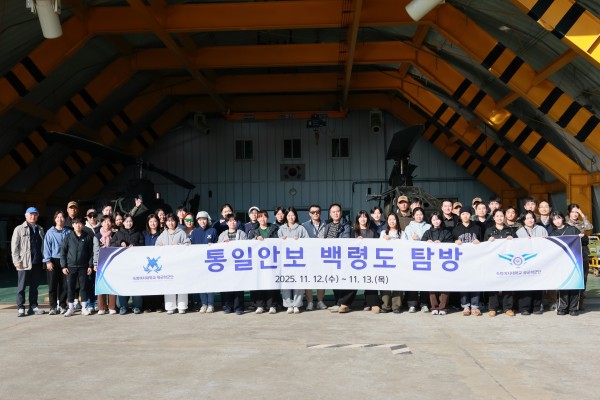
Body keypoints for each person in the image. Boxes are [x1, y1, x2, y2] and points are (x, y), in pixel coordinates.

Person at [12, 207, 46, 317]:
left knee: (34, 287)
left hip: (37, 262)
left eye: (35, 214)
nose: (33, 216)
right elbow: (14, 246)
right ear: (26, 216)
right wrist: (16, 260)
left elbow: (43, 246)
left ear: (37, 216)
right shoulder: (19, 229)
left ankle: (33, 307)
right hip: (24, 263)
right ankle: (20, 307)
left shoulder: (40, 229)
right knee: (21, 287)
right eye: (31, 214)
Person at [550, 211, 585, 316]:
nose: (557, 221)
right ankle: (563, 307)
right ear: (552, 222)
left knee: (575, 284)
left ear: (562, 218)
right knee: (563, 284)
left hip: (574, 261)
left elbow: (585, 241)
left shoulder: (572, 229)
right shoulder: (553, 234)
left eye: (558, 218)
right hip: (561, 263)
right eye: (554, 219)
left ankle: (573, 308)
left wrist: (582, 237)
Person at [156, 213, 190, 314]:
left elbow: (188, 243)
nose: (170, 223)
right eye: (168, 221)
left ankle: (182, 306)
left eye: (172, 221)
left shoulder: (181, 232)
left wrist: (179, 245)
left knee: (181, 283)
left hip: (180, 264)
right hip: (167, 264)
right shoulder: (163, 234)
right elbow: (156, 246)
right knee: (168, 284)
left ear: (176, 222)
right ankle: (170, 306)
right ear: (166, 222)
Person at [247, 210, 280, 314]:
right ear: (257, 219)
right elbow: (248, 244)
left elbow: (279, 241)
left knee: (271, 282)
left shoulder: (274, 228)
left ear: (268, 218)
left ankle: (272, 305)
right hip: (258, 262)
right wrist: (255, 239)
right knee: (259, 282)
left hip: (272, 261)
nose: (262, 219)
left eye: (265, 217)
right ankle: (260, 305)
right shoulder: (253, 231)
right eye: (260, 217)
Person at [484, 209, 515, 317]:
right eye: (497, 216)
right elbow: (484, 247)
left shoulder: (510, 230)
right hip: (493, 262)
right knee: (493, 284)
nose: (499, 218)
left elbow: (517, 245)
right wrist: (488, 241)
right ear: (493, 218)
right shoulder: (489, 230)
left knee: (508, 284)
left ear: (504, 217)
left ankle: (508, 308)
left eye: (501, 216)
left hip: (507, 262)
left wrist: (513, 239)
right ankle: (493, 308)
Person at [111, 214, 144, 314]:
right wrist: (120, 243)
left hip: (135, 264)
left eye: (130, 221)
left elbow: (143, 245)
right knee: (122, 284)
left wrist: (135, 246)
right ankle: (123, 306)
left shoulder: (138, 233)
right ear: (123, 223)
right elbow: (112, 244)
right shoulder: (118, 233)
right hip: (122, 265)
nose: (129, 223)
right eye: (126, 221)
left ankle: (137, 306)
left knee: (136, 284)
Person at [60, 217, 94, 317]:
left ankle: (84, 307)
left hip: (83, 266)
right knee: (70, 287)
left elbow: (91, 253)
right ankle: (71, 308)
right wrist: (63, 266)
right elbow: (63, 252)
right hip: (71, 266)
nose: (78, 225)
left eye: (79, 223)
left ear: (82, 225)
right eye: (75, 223)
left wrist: (90, 265)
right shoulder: (68, 237)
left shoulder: (87, 237)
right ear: (72, 225)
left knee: (83, 287)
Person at [516, 210, 548, 315]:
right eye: (527, 218)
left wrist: (546, 240)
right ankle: (525, 308)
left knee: (538, 284)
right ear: (523, 220)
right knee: (525, 284)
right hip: (525, 262)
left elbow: (548, 245)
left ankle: (537, 307)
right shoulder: (519, 232)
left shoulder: (542, 229)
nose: (530, 220)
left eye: (531, 218)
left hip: (539, 261)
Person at [278, 207, 309, 314]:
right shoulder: (281, 229)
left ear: (296, 216)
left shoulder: (301, 228)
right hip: (285, 261)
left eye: (293, 215)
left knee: (298, 282)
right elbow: (276, 243)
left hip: (298, 260)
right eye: (289, 215)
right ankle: (288, 305)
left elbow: (307, 242)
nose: (291, 217)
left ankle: (297, 304)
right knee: (286, 282)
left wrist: (300, 240)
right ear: (286, 217)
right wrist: (281, 240)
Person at [452, 206, 482, 316]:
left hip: (475, 260)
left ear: (471, 215)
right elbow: (450, 245)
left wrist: (479, 242)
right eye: (463, 214)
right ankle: (465, 306)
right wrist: (455, 242)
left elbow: (484, 242)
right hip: (461, 262)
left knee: (475, 282)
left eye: (467, 213)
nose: (465, 216)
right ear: (460, 216)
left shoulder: (477, 227)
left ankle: (475, 306)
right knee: (463, 283)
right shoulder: (456, 229)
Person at [422, 211, 453, 315]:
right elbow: (420, 246)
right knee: (432, 284)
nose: (436, 221)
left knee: (445, 284)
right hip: (431, 262)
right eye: (434, 219)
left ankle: (443, 307)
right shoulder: (427, 233)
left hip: (444, 262)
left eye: (438, 219)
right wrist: (426, 243)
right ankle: (434, 307)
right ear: (431, 221)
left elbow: (451, 244)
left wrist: (442, 244)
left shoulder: (447, 232)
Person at [323, 203, 352, 312]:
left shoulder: (346, 225)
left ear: (341, 212)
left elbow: (346, 238)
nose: (336, 213)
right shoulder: (327, 225)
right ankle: (337, 302)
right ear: (330, 214)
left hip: (341, 257)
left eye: (338, 211)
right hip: (331, 256)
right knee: (334, 280)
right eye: (333, 212)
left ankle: (342, 303)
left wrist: (332, 242)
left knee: (341, 280)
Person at [403, 207, 432, 313]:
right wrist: (413, 240)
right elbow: (406, 242)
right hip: (413, 257)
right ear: (413, 216)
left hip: (426, 257)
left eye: (421, 214)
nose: (419, 216)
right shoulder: (408, 227)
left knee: (425, 281)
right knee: (413, 280)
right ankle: (412, 304)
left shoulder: (429, 226)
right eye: (417, 215)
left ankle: (424, 304)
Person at [42, 211, 71, 315]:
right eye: (58, 217)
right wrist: (48, 261)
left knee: (64, 285)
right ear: (55, 219)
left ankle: (62, 305)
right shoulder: (50, 232)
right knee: (52, 285)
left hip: (65, 261)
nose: (60, 219)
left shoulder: (68, 232)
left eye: (62, 217)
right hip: (53, 260)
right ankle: (53, 307)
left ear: (64, 219)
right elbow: (46, 248)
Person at [218, 214, 247, 315]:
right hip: (227, 265)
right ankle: (228, 306)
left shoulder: (242, 234)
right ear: (227, 223)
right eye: (230, 221)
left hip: (239, 264)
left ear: (237, 222)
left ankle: (239, 307)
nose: (232, 223)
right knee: (227, 285)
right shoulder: (222, 234)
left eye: (234, 221)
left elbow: (246, 246)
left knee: (239, 286)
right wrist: (222, 243)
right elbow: (218, 248)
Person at [190, 211, 218, 313]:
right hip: (199, 262)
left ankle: (211, 304)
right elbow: (191, 246)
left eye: (204, 219)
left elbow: (218, 244)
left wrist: (214, 245)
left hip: (210, 261)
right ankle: (204, 304)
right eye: (200, 219)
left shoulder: (213, 230)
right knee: (201, 283)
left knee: (210, 283)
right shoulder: (194, 232)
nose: (202, 221)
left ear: (207, 220)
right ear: (197, 221)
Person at [566, 203, 593, 309]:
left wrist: (582, 214)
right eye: (572, 212)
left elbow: (589, 227)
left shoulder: (582, 223)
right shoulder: (565, 224)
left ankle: (580, 302)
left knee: (583, 277)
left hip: (583, 252)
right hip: (570, 253)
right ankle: (570, 302)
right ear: (569, 213)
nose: (575, 214)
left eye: (576, 212)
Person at [351, 210, 379, 313]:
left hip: (370, 261)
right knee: (353, 281)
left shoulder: (372, 231)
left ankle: (372, 303)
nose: (363, 219)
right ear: (357, 219)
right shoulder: (353, 231)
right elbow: (347, 245)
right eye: (360, 217)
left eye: (365, 217)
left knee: (370, 281)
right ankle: (345, 303)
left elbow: (378, 245)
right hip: (356, 262)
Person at [302, 204, 327, 311]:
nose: (315, 214)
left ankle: (320, 301)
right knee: (309, 280)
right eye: (313, 212)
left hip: (322, 256)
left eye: (317, 212)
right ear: (309, 214)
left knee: (321, 279)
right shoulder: (304, 225)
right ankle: (310, 302)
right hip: (309, 257)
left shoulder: (326, 225)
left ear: (320, 213)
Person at [380, 213, 403, 313]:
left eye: (394, 219)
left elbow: (405, 246)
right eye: (390, 219)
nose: (392, 221)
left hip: (398, 261)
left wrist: (395, 240)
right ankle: (386, 305)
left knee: (398, 282)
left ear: (397, 221)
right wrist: (384, 239)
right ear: (387, 221)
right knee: (386, 282)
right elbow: (378, 246)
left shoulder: (402, 233)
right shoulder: (383, 233)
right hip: (386, 261)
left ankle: (396, 305)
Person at [94, 215, 117, 315]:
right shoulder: (97, 236)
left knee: (112, 283)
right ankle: (102, 307)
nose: (107, 223)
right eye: (104, 221)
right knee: (101, 284)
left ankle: (112, 307)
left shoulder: (115, 234)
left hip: (112, 262)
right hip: (101, 263)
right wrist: (95, 263)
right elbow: (95, 250)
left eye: (109, 221)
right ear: (101, 223)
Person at [142, 214, 164, 313]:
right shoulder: (143, 234)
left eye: (155, 221)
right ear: (148, 223)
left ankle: (158, 305)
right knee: (147, 284)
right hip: (146, 263)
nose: (153, 223)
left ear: (158, 222)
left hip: (158, 262)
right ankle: (148, 306)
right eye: (150, 221)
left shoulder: (162, 234)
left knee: (158, 284)